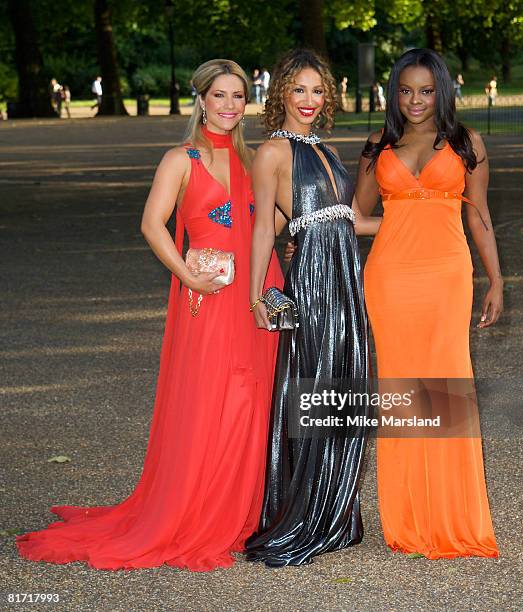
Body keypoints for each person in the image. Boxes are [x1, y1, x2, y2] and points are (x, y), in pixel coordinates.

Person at [16, 59, 285, 572]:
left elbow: (271, 218)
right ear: (201, 99)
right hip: (207, 293)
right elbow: (151, 224)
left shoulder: (257, 160)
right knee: (211, 400)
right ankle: (197, 512)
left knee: (252, 401)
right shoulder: (179, 159)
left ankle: (240, 511)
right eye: (219, 95)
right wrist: (187, 274)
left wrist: (280, 248)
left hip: (256, 288)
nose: (229, 105)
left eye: (237, 95)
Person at [356, 48, 501, 559]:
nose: (415, 100)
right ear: (393, 93)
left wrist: (497, 280)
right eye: (405, 90)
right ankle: (408, 518)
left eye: (426, 90)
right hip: (391, 278)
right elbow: (356, 217)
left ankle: (452, 515)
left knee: (445, 384)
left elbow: (478, 216)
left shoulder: (466, 143)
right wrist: (307, 230)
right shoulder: (379, 146)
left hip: (446, 277)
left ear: (442, 91)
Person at [246, 49, 380, 568]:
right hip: (316, 284)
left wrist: (419, 221)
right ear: (280, 92)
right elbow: (265, 226)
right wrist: (257, 294)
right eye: (299, 89)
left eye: (317, 90)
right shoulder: (273, 152)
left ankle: (333, 511)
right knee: (316, 385)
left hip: (346, 278)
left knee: (347, 386)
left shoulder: (325, 147)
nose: (308, 100)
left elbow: (342, 220)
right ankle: (303, 514)